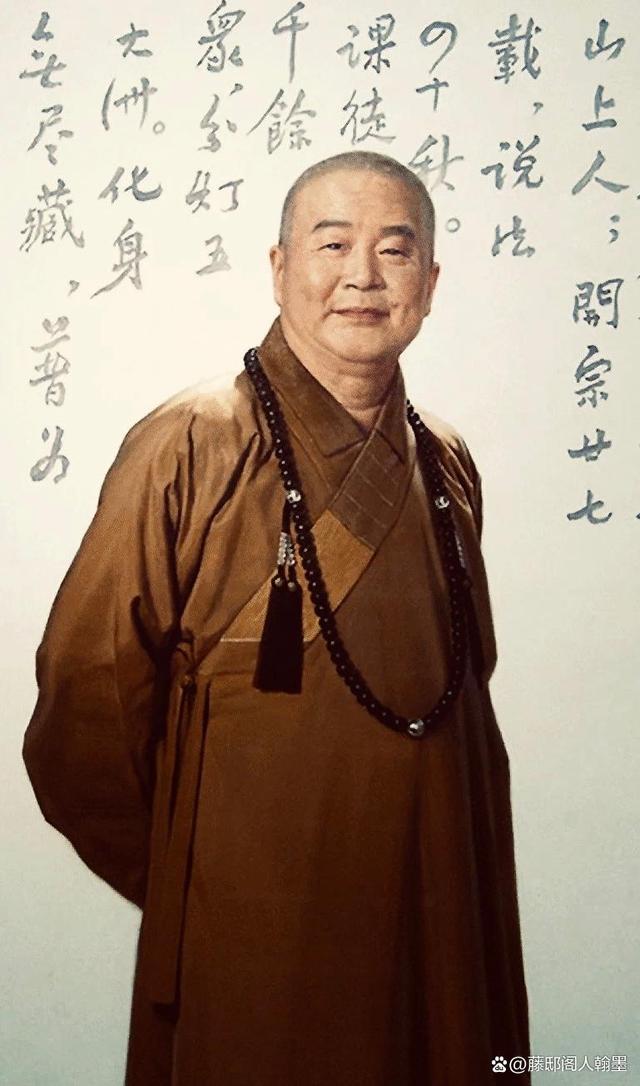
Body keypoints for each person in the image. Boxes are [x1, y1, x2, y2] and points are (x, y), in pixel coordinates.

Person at [23, 150, 531, 1085]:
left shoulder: (445, 460)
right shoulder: (191, 442)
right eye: (333, 245)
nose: (363, 276)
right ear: (279, 266)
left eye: (395, 250)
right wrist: (197, 884)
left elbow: (466, 695)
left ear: (430, 283)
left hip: (441, 918)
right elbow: (83, 711)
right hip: (255, 932)